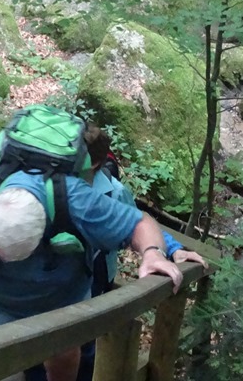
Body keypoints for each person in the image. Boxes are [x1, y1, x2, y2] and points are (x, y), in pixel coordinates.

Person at [0, 165, 206, 381]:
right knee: (0, 367)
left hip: (62, 305)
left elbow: (139, 222)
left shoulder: (75, 200)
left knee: (65, 357)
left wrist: (154, 252)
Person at [23, 124, 205, 381]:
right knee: (38, 349)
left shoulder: (113, 192)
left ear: (95, 162)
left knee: (85, 346)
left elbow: (135, 222)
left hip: (95, 281)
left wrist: (174, 249)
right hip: (54, 279)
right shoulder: (51, 183)